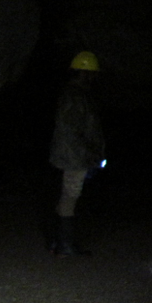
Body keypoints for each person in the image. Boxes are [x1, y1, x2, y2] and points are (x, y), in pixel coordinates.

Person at [48, 50, 106, 256]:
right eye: (91, 73)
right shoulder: (75, 96)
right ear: (84, 73)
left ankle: (59, 242)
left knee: (68, 195)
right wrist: (90, 155)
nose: (94, 77)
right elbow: (72, 131)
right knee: (70, 196)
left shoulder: (76, 94)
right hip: (74, 156)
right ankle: (65, 245)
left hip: (74, 154)